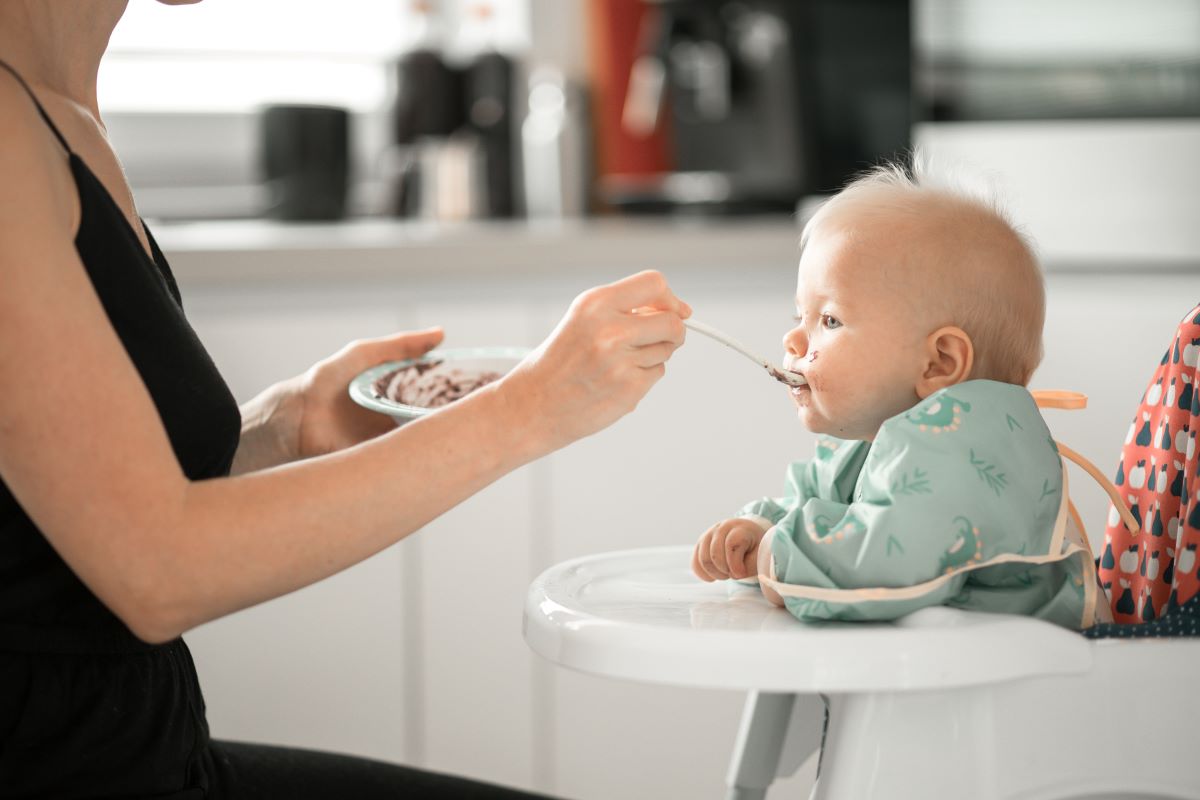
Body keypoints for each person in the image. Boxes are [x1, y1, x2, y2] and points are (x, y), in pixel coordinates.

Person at [0, 1, 690, 797]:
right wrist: (526, 409)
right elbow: (156, 569)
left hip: (156, 753)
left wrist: (286, 426)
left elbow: (66, 509)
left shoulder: (57, 106)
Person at [691, 159, 1108, 629]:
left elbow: (884, 564)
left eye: (829, 320)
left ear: (939, 364)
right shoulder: (876, 436)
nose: (794, 341)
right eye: (798, 318)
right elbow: (816, 505)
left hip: (1024, 683)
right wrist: (761, 528)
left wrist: (778, 553)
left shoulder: (964, 451)